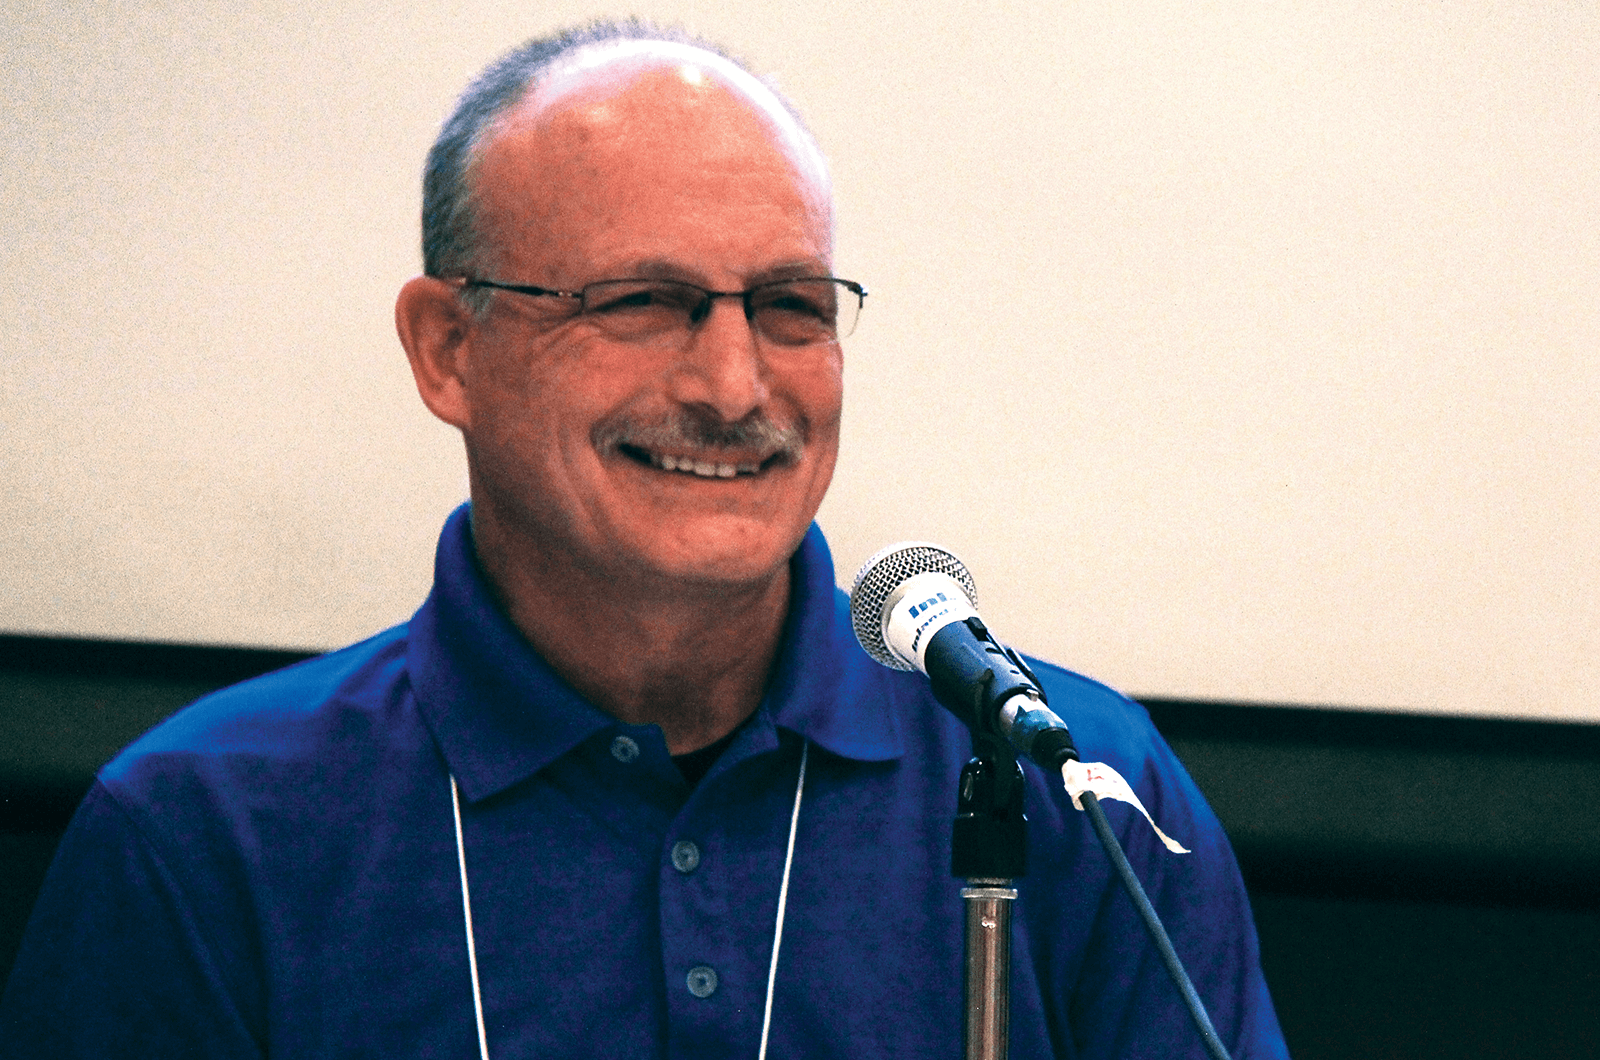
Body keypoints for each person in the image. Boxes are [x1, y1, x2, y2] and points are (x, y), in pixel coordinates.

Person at [0, 20, 1288, 1059]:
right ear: (448, 348)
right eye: (644, 302)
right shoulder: (204, 830)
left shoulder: (1078, 789)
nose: (734, 385)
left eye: (788, 306)